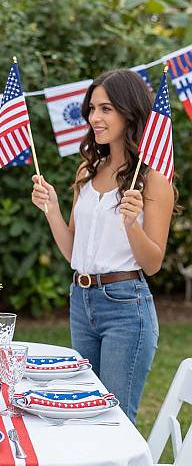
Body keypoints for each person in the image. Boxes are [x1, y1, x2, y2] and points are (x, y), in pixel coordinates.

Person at [31, 69, 176, 423]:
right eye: (92, 109)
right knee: (81, 412)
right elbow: (73, 253)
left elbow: (153, 262)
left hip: (126, 307)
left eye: (106, 109)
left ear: (129, 112)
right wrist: (51, 209)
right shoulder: (88, 171)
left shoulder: (153, 179)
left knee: (113, 420)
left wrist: (130, 224)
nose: (95, 118)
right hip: (82, 301)